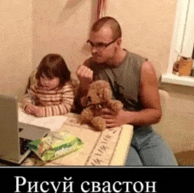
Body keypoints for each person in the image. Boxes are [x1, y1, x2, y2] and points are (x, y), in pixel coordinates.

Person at [76, 16, 178, 166]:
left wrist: (126, 117)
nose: (93, 50)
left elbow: (156, 114)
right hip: (110, 134)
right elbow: (82, 110)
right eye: (91, 44)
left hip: (143, 134)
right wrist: (84, 86)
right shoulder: (89, 65)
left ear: (118, 43)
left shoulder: (143, 67)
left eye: (101, 45)